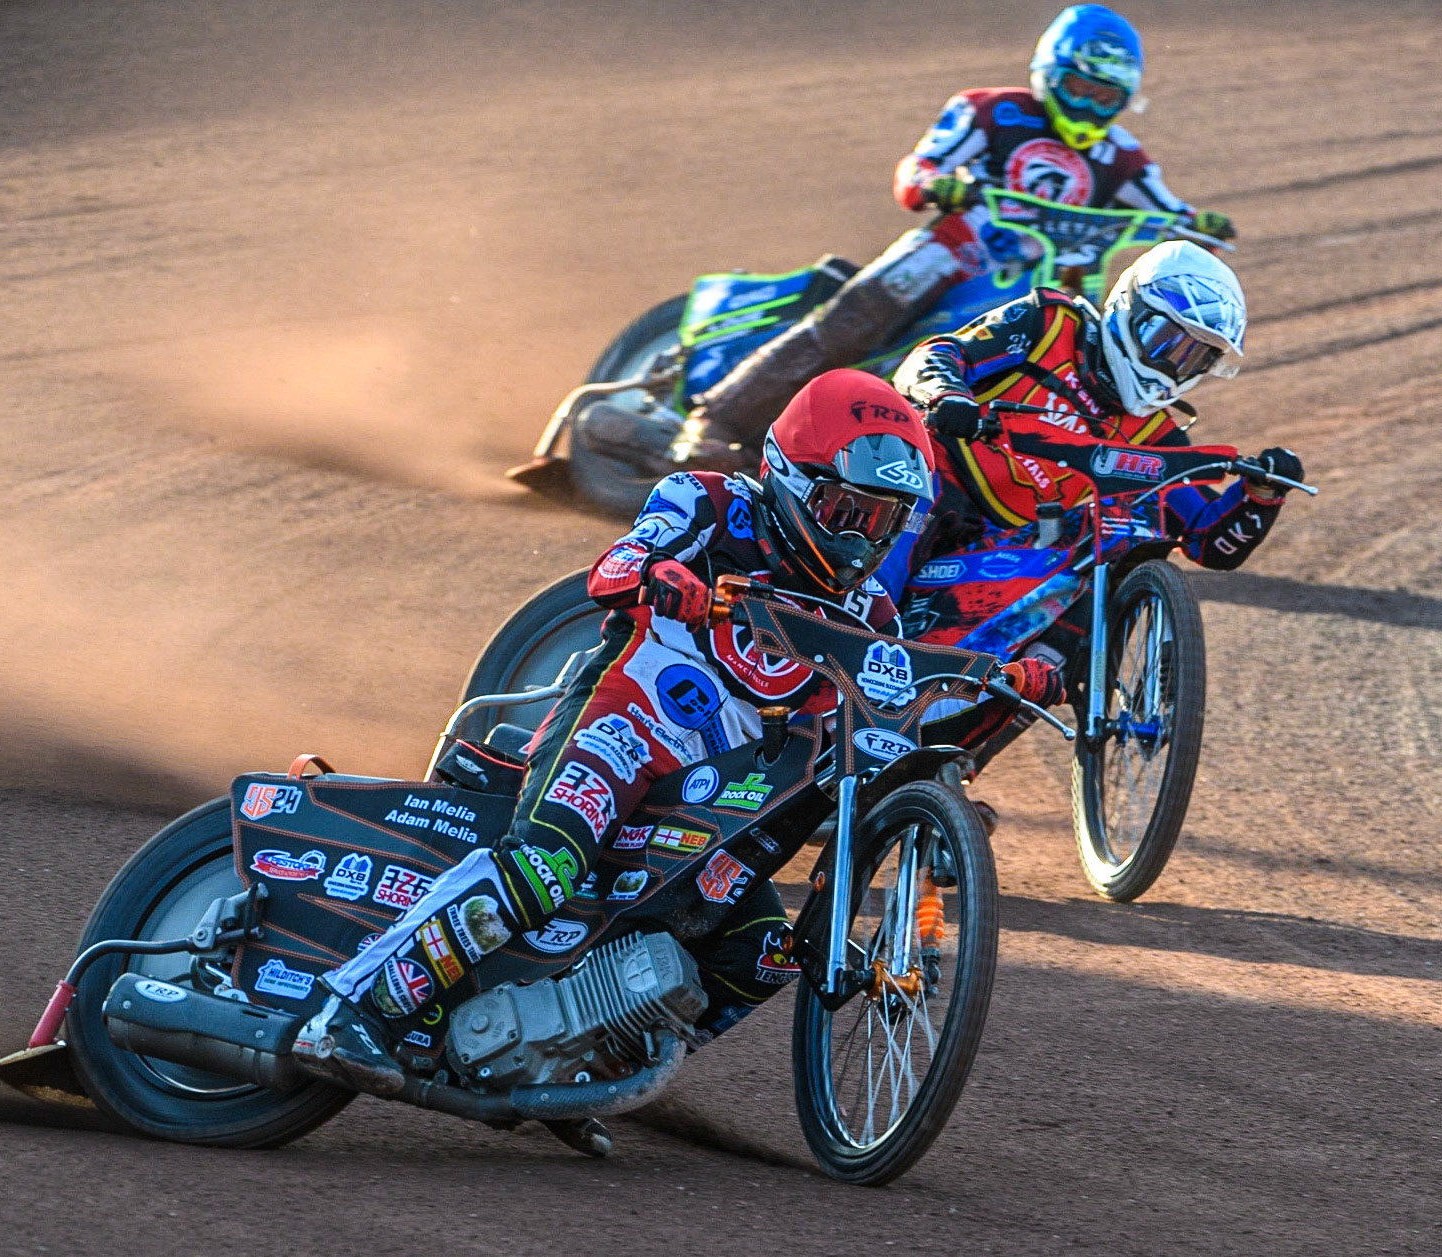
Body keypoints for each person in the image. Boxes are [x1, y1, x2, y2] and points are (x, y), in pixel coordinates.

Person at [292, 370, 1065, 1095]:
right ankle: (352, 1010)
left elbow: (903, 697)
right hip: (624, 727)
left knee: (762, 954)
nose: (863, 542)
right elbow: (617, 564)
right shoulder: (709, 499)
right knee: (545, 867)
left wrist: (999, 678)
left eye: (885, 523)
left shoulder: (873, 618)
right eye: (848, 514)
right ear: (794, 477)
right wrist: (660, 574)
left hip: (716, 803)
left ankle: (583, 1063)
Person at [664, 4, 1236, 472]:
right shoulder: (989, 112)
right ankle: (719, 417)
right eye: (1079, 87)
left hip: (1046, 286)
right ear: (1050, 72)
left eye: (1105, 97)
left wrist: (1200, 224)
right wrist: (943, 184)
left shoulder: (1120, 157)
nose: (1088, 105)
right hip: (954, 251)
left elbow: (1167, 209)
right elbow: (916, 170)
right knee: (857, 318)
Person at [886, 239, 1303, 606]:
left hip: (1007, 548)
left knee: (1094, 565)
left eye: (1194, 357)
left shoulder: (1155, 436)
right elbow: (936, 355)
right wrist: (948, 396)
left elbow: (1208, 541)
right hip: (934, 482)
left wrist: (1262, 496)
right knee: (889, 565)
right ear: (1130, 305)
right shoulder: (1050, 323)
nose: (1173, 364)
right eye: (1167, 342)